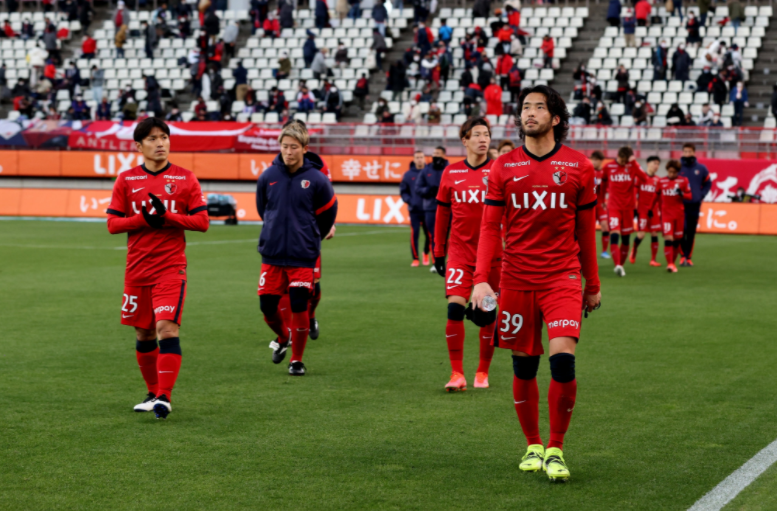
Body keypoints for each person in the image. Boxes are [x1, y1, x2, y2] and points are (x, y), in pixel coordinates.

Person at [471, 85, 601, 483]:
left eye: (539, 107)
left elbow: (585, 229)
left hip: (562, 277)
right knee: (524, 366)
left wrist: (591, 283)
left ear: (555, 118)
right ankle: (532, 443)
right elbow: (490, 228)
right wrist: (480, 281)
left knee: (562, 362)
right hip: (515, 279)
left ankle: (557, 448)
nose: (529, 113)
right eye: (525, 107)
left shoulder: (580, 167)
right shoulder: (503, 166)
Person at [105, 118, 209, 419]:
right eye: (152, 139)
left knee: (166, 328)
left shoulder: (186, 178)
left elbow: (202, 222)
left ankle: (164, 397)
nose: (160, 143)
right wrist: (143, 219)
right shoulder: (126, 180)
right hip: (137, 270)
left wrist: (169, 217)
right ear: (139, 146)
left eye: (164, 137)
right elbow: (112, 224)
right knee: (144, 333)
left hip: (170, 269)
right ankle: (152, 392)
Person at [256, 121, 337, 376]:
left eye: (293, 147)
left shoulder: (317, 179)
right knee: (267, 306)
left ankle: (297, 360)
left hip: (303, 255)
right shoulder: (268, 176)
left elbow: (328, 214)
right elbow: (263, 210)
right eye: (284, 146)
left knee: (299, 303)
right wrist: (274, 232)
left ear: (304, 148)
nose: (288, 152)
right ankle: (283, 336)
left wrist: (311, 235)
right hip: (272, 254)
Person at [432, 118, 500, 391]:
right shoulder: (451, 173)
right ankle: (457, 373)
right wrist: (438, 251)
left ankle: (482, 372)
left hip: (494, 254)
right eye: (478, 135)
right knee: (454, 309)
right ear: (465, 140)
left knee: (487, 314)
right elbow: (442, 213)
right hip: (460, 253)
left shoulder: (499, 170)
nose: (484, 139)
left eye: (487, 135)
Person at [600, 146, 649, 276]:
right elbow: (603, 184)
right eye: (621, 160)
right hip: (614, 206)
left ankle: (620, 266)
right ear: (618, 156)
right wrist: (601, 200)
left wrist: (634, 162)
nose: (622, 163)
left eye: (625, 161)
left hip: (628, 208)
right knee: (614, 235)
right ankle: (617, 265)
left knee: (626, 239)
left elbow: (644, 178)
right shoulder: (609, 167)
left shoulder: (632, 166)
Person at [415, 146, 449, 268]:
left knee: (447, 236)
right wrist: (429, 190)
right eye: (434, 153)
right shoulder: (426, 170)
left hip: (448, 208)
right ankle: (437, 262)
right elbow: (418, 188)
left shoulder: (450, 169)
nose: (435, 156)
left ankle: (447, 260)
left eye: (438, 153)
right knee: (435, 236)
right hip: (430, 208)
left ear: (444, 155)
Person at [678, 143, 711, 266]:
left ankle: (689, 257)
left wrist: (701, 195)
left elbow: (708, 183)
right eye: (685, 151)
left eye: (689, 152)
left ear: (694, 152)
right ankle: (682, 256)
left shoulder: (701, 168)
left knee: (691, 232)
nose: (687, 154)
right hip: (680, 204)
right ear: (682, 152)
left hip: (694, 204)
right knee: (682, 230)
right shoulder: (678, 167)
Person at [659, 159, 693, 272]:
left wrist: (681, 193)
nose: (671, 174)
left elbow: (690, 196)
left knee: (677, 240)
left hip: (679, 215)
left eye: (674, 172)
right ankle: (669, 264)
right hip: (666, 215)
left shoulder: (683, 181)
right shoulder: (661, 181)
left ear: (678, 171)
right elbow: (655, 196)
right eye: (669, 172)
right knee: (668, 238)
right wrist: (650, 209)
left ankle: (672, 263)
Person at [400, 151, 432, 267]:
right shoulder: (408, 175)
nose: (419, 159)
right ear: (414, 159)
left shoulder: (430, 173)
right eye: (417, 157)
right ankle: (415, 258)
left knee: (429, 235)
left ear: (425, 159)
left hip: (428, 209)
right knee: (415, 234)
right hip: (414, 210)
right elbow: (403, 192)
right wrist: (410, 201)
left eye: (421, 157)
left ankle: (425, 253)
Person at [630, 156, 662, 266]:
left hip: (653, 211)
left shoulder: (658, 180)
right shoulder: (640, 178)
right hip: (642, 211)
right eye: (654, 163)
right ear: (648, 163)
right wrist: (634, 208)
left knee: (654, 233)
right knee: (641, 235)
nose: (656, 166)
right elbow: (634, 193)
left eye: (658, 164)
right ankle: (633, 251)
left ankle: (653, 259)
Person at [589, 151, 611, 258]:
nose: (593, 162)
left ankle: (604, 251)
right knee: (588, 229)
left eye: (596, 160)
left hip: (601, 204)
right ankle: (587, 250)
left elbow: (608, 188)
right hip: (589, 204)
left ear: (601, 161)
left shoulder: (604, 173)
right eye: (592, 159)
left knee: (605, 226)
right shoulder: (589, 171)